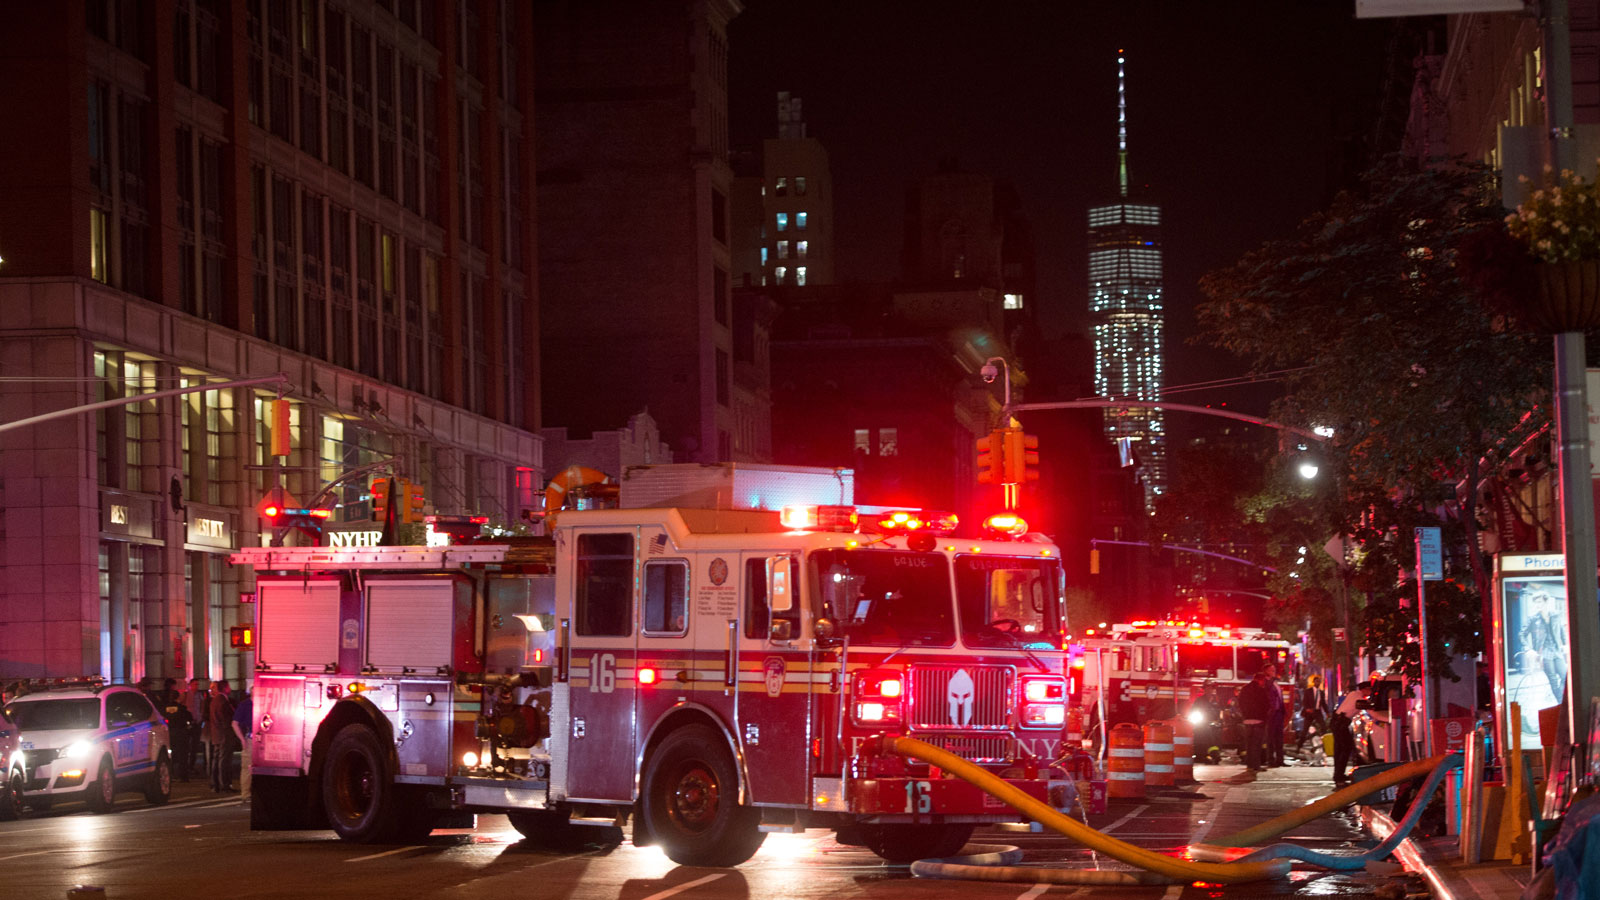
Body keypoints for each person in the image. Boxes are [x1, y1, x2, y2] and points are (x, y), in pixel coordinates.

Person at [1332, 681, 1372, 787]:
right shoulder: (1358, 698)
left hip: (1338, 721)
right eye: (1370, 690)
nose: (1370, 692)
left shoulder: (1354, 693)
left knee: (1340, 750)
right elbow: (1370, 709)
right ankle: (1339, 777)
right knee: (1345, 750)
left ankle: (1338, 775)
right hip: (1341, 723)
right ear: (1365, 689)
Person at [1238, 667, 1275, 771]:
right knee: (1257, 744)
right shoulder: (1261, 690)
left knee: (1249, 744)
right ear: (1260, 680)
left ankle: (1249, 764)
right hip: (1259, 721)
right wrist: (1264, 717)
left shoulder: (1245, 689)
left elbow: (1240, 703)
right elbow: (1266, 705)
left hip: (1247, 720)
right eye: (1263, 680)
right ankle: (1256, 765)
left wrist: (1245, 715)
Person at [207, 680, 236, 793]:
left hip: (217, 734)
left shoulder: (214, 701)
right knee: (224, 760)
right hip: (224, 734)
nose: (230, 689)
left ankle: (215, 783)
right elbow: (226, 719)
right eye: (228, 686)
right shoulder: (223, 701)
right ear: (224, 688)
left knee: (217, 758)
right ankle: (224, 784)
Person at [1296, 674, 1330, 753]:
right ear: (1314, 682)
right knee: (1305, 730)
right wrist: (1307, 709)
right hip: (1309, 712)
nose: (1318, 682)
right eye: (1316, 681)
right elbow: (1304, 701)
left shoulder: (1321, 692)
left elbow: (1323, 703)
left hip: (1318, 712)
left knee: (1323, 727)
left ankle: (1325, 746)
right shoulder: (1308, 691)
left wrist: (1327, 712)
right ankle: (1299, 746)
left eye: (1319, 681)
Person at [231, 689, 253, 800]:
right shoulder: (245, 705)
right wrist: (242, 740)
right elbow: (234, 723)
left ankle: (247, 793)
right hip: (251, 738)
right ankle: (245, 793)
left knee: (248, 768)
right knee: (247, 767)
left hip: (254, 738)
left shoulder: (263, 702)